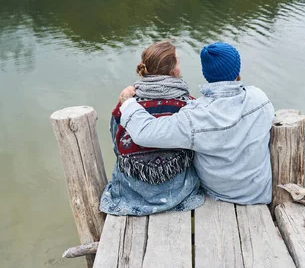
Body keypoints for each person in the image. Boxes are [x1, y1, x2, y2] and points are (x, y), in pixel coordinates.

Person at [117, 42, 274, 205]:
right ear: (236, 69)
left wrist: (127, 102)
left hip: (218, 195)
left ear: (206, 73)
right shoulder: (259, 98)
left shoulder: (195, 115)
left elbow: (145, 133)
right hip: (259, 193)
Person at [100, 41, 204, 216]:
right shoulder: (189, 104)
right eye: (178, 61)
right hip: (179, 191)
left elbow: (116, 146)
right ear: (173, 70)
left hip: (132, 191)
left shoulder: (125, 104)